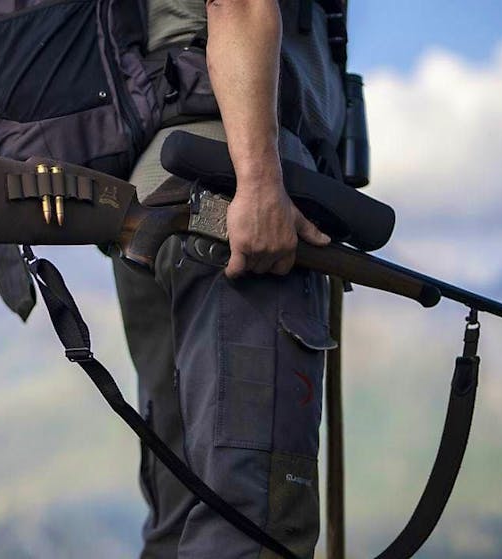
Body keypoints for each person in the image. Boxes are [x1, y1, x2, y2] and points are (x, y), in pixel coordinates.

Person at [112, 1, 346, 557]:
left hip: (158, 203)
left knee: (183, 518)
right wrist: (261, 181)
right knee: (252, 524)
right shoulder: (252, 188)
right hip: (235, 206)